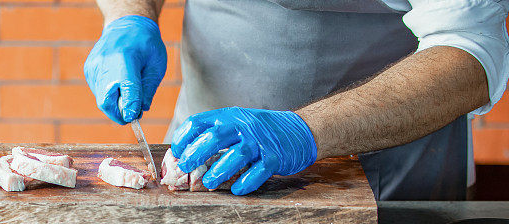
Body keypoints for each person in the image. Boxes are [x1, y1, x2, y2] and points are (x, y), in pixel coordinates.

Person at [83, 0, 509, 199]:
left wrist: (303, 131)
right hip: (205, 158)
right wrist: (129, 15)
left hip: (385, 182)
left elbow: (469, 52)